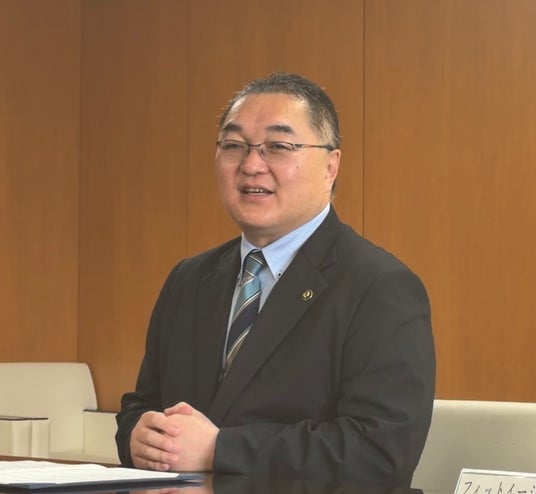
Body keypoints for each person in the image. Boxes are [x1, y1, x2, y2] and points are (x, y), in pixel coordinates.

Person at [115, 72, 435, 486]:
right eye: (234, 146)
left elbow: (380, 452)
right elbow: (143, 403)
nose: (251, 165)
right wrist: (138, 435)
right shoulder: (189, 279)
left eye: (278, 147)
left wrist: (220, 448)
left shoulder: (380, 287)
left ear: (331, 166)